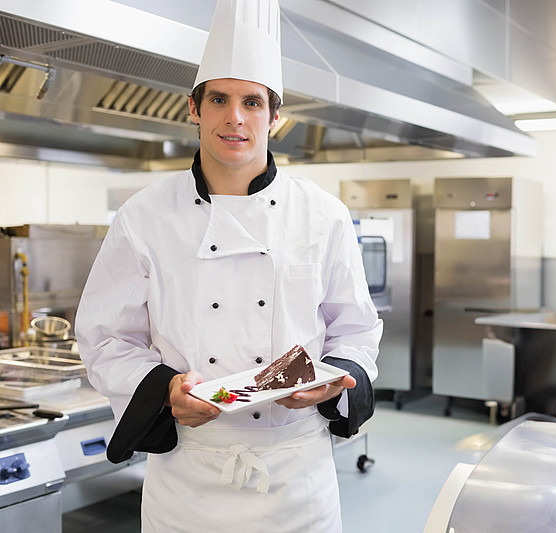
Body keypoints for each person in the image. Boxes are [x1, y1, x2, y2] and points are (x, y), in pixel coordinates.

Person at [75, 1, 381, 531]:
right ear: (194, 109)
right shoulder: (144, 215)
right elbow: (106, 338)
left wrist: (339, 377)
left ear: (275, 117)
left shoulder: (323, 214)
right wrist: (164, 390)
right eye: (218, 99)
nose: (235, 117)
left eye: (252, 102)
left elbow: (355, 330)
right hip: (188, 478)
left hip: (296, 473)